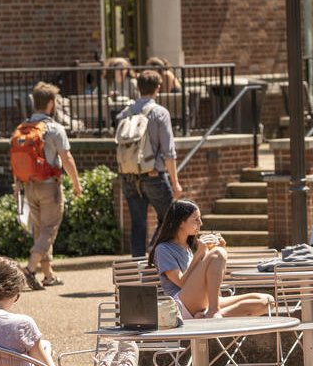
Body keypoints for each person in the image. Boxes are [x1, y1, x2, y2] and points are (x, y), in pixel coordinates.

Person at [149, 199, 273, 318]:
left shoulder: (191, 245)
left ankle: (211, 316)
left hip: (203, 302)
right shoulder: (163, 249)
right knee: (218, 253)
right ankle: (214, 310)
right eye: (196, 220)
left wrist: (214, 252)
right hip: (180, 306)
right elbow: (181, 283)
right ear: (181, 222)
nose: (201, 223)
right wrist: (201, 254)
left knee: (267, 301)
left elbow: (212, 283)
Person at [16, 82, 84, 290]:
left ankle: (48, 274)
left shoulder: (23, 128)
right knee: (49, 229)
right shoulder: (54, 129)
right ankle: (29, 269)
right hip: (49, 186)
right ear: (51, 104)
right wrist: (76, 183)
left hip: (28, 185)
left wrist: (16, 186)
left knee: (39, 230)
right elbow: (67, 158)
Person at [117, 70, 182, 257]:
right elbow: (169, 152)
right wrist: (175, 181)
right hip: (153, 174)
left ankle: (137, 273)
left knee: (138, 223)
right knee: (172, 218)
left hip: (128, 175)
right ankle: (154, 250)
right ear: (158, 88)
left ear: (138, 88)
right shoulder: (160, 113)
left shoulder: (125, 113)